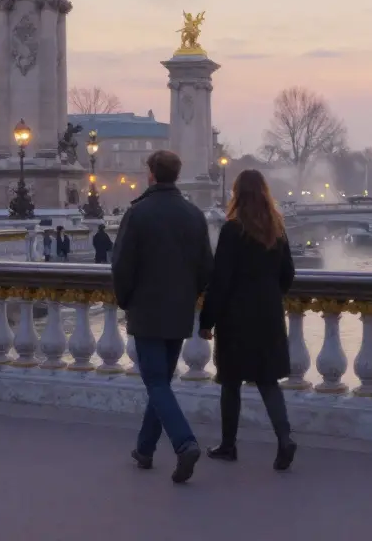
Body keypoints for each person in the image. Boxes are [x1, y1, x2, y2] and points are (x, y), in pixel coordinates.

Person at [112, 150, 213, 483]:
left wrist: (126, 300)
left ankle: (185, 444)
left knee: (155, 382)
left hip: (147, 309)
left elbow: (122, 265)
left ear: (151, 174)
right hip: (179, 311)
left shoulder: (138, 213)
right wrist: (188, 295)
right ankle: (144, 449)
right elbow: (205, 269)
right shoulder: (194, 215)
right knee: (161, 383)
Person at [199, 169, 298, 470]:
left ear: (237, 194)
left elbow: (221, 280)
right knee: (268, 381)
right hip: (268, 314)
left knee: (231, 382)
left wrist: (207, 321)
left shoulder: (233, 230)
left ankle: (228, 445)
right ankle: (284, 438)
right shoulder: (277, 228)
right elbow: (288, 274)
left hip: (236, 317)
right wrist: (269, 294)